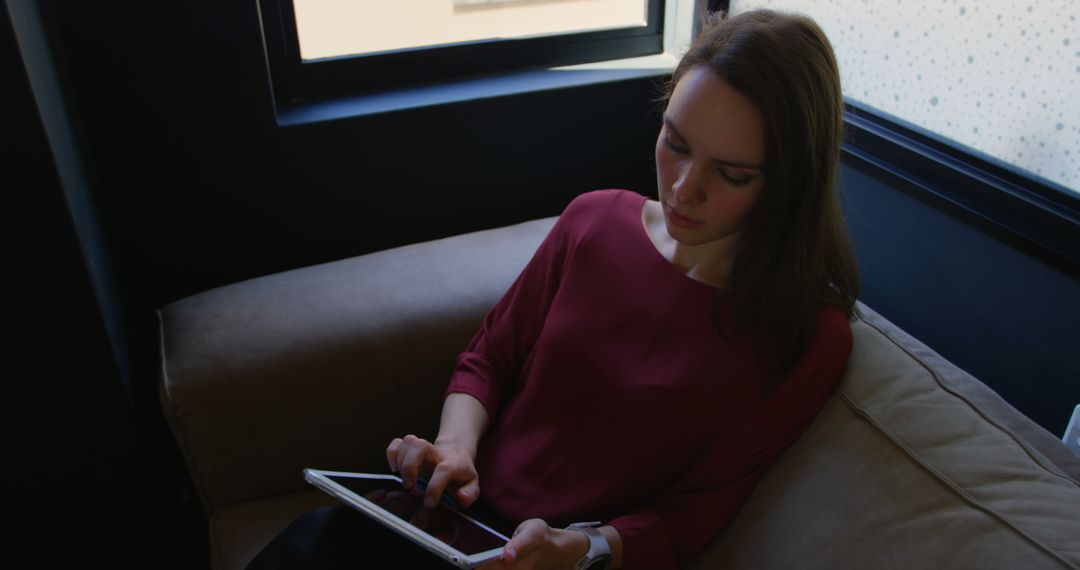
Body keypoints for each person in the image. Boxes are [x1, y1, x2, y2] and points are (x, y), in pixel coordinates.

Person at [248, 8, 858, 570]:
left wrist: (582, 548)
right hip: (460, 520)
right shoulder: (594, 221)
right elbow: (488, 357)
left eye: (730, 174)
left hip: (562, 559)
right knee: (313, 545)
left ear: (789, 183)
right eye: (675, 143)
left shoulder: (806, 336)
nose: (682, 189)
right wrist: (453, 448)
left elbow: (693, 517)